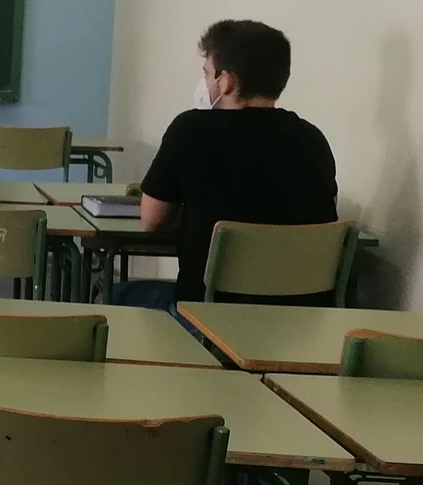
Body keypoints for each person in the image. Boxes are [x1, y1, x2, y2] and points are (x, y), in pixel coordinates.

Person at [117, 20, 338, 309]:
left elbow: (152, 219)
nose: (205, 83)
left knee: (118, 295)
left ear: (226, 81)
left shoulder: (190, 130)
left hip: (209, 319)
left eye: (208, 73)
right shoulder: (313, 139)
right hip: (300, 326)